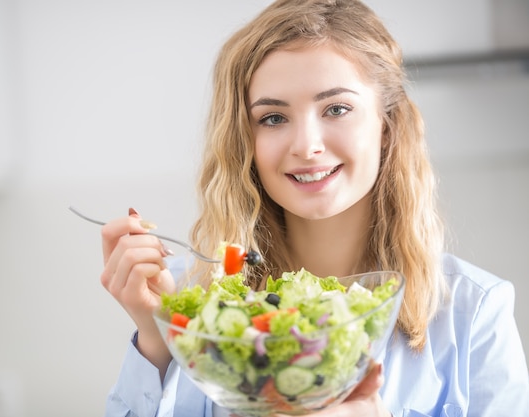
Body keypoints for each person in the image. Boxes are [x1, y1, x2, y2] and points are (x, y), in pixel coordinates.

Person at [98, 0, 529, 416]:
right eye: (273, 118)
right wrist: (158, 342)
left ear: (386, 125)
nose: (307, 145)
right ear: (244, 141)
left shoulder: (475, 315)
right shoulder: (187, 302)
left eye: (337, 109)